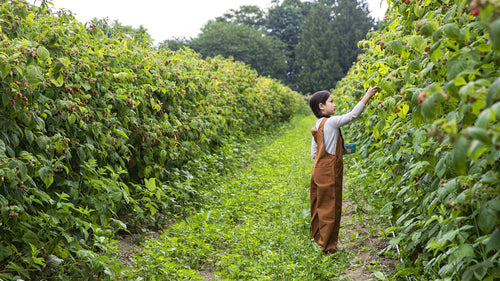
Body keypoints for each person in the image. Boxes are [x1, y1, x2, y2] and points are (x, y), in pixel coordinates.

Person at [309, 86, 380, 254]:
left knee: (318, 206)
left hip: (317, 171)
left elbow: (314, 154)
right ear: (321, 106)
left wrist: (338, 148)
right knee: (330, 209)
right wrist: (368, 96)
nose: (334, 105)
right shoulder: (332, 122)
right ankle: (327, 248)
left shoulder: (317, 125)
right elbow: (353, 115)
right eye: (331, 102)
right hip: (329, 172)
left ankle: (317, 239)